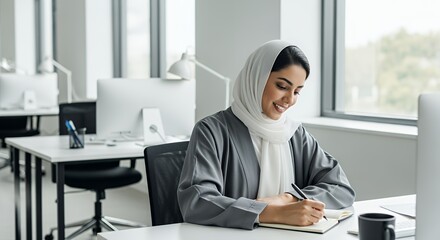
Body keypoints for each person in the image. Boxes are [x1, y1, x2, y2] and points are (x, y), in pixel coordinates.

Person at [177, 40, 355, 230]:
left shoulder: (295, 134)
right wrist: (271, 212)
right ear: (257, 78)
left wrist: (288, 198)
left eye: (297, 91)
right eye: (282, 86)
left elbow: (341, 188)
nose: (290, 99)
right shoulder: (212, 131)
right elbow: (197, 201)